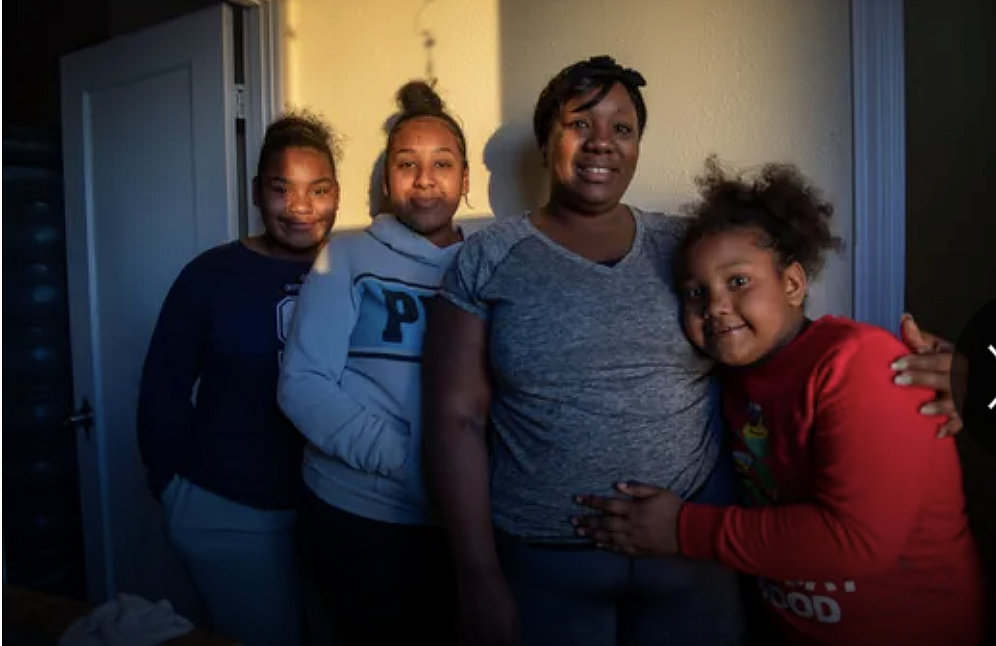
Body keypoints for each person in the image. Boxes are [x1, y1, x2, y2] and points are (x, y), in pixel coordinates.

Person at [421, 55, 963, 646]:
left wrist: (949, 373)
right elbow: (456, 417)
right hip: (545, 555)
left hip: (692, 559)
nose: (602, 142)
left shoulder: (687, 243)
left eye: (622, 128)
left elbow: (783, 341)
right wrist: (475, 575)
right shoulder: (489, 256)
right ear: (547, 136)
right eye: (581, 123)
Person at [571, 157, 987, 646]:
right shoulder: (732, 379)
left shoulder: (858, 364)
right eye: (694, 292)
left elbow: (856, 542)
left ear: (792, 284)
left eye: (739, 281)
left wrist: (684, 529)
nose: (715, 305)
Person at [137, 110, 341, 646]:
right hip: (230, 513)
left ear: (337, 194)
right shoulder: (210, 275)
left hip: (333, 516)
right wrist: (173, 490)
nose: (300, 208)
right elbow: (162, 389)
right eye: (282, 189)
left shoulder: (352, 269)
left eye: (317, 190)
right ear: (256, 193)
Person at [277, 80, 468, 645]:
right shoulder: (348, 254)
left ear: (464, 178)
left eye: (443, 163)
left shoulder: (491, 261)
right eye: (407, 164)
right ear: (387, 181)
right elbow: (303, 386)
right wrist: (411, 461)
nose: (426, 178)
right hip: (357, 517)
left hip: (461, 523)